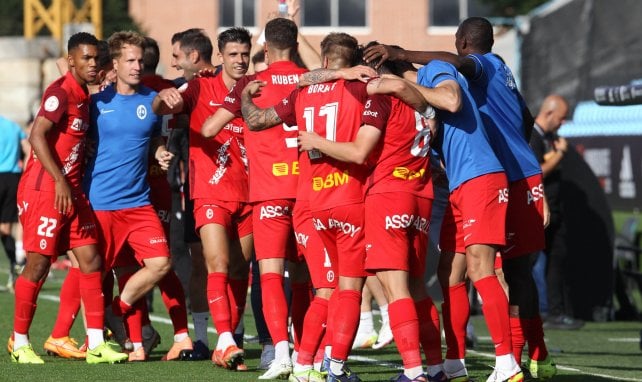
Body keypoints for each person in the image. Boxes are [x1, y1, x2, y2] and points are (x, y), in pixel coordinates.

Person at [365, 16, 555, 379]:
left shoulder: (441, 70)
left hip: (485, 178)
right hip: (466, 181)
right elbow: (522, 118)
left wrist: (400, 55)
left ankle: (509, 361)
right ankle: (454, 361)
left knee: (499, 270)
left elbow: (451, 96)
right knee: (450, 272)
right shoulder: (436, 92)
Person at [240, 32, 431, 382]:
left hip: (310, 205)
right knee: (349, 290)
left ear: (325, 61)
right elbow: (398, 102)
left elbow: (257, 120)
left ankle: (302, 364)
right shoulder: (363, 87)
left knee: (323, 290)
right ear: (355, 62)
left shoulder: (302, 90)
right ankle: (338, 368)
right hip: (350, 197)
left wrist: (243, 99)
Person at [295, 48, 444, 381]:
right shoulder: (423, 107)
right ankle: (435, 367)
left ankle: (413, 371)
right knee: (417, 289)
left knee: (394, 290)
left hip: (388, 196)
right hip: (421, 197)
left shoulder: (382, 98)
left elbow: (360, 151)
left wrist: (317, 140)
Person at [200, 17, 311, 380]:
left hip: (268, 194)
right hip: (309, 192)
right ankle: (310, 354)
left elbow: (209, 128)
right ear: (295, 44)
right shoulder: (311, 81)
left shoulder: (251, 83)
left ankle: (279, 352)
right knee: (306, 280)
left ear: (264, 49)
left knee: (269, 276)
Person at [9, 31, 128, 364]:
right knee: (38, 264)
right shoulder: (59, 93)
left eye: (96, 59)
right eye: (86, 58)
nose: (92, 65)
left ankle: (94, 344)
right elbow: (37, 136)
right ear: (71, 59)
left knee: (91, 260)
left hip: (72, 191)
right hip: (46, 189)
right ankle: (19, 342)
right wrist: (59, 180)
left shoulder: (84, 98)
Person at [153, 26, 254, 371]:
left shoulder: (256, 88)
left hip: (252, 194)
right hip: (210, 191)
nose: (240, 61)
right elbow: (164, 108)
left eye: (244, 54)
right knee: (215, 264)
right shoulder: (200, 85)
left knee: (241, 269)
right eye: (233, 55)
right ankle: (220, 338)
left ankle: (233, 336)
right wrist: (163, 96)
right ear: (221, 57)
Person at [84, 30, 175, 362]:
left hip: (138, 203)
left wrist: (161, 152)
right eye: (131, 60)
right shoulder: (96, 104)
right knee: (98, 274)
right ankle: (94, 338)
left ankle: (116, 310)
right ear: (117, 63)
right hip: (100, 204)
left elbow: (154, 140)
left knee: (161, 262)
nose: (138, 66)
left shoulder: (151, 100)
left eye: (141, 60)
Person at [530, 94, 584, 331]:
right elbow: (537, 172)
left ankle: (555, 312)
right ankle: (526, 310)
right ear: (549, 113)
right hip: (536, 208)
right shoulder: (531, 134)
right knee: (528, 262)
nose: (562, 123)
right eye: (561, 118)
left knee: (556, 261)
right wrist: (560, 154)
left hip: (554, 208)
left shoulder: (549, 137)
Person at [0, 115, 28, 292]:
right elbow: (29, 149)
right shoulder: (13, 126)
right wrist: (26, 170)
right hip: (13, 179)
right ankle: (17, 263)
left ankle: (17, 262)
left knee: (4, 229)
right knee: (5, 227)